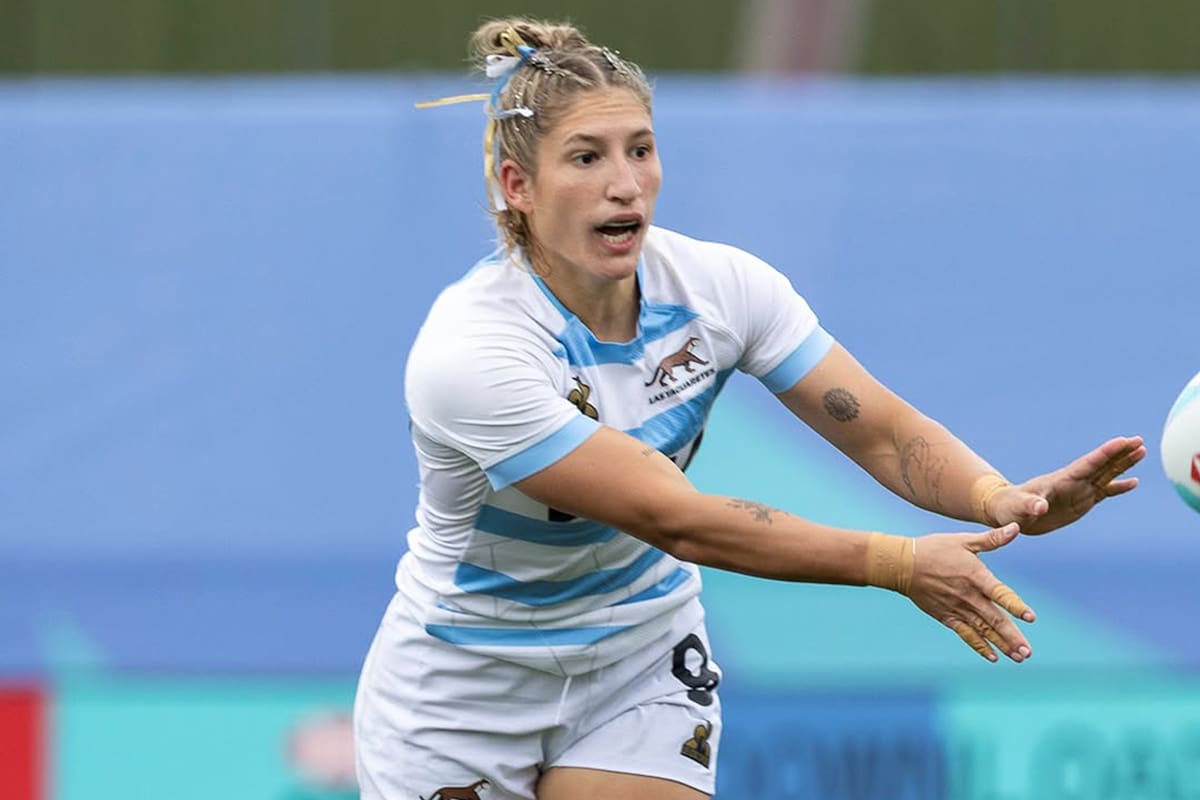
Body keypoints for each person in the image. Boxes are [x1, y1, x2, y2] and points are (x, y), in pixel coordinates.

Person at [352, 18, 1145, 800]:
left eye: (641, 148)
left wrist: (1000, 497)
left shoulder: (723, 289)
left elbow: (884, 434)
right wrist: (900, 564)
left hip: (637, 656)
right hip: (465, 683)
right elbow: (678, 520)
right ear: (515, 186)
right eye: (586, 158)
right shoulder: (473, 352)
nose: (625, 182)